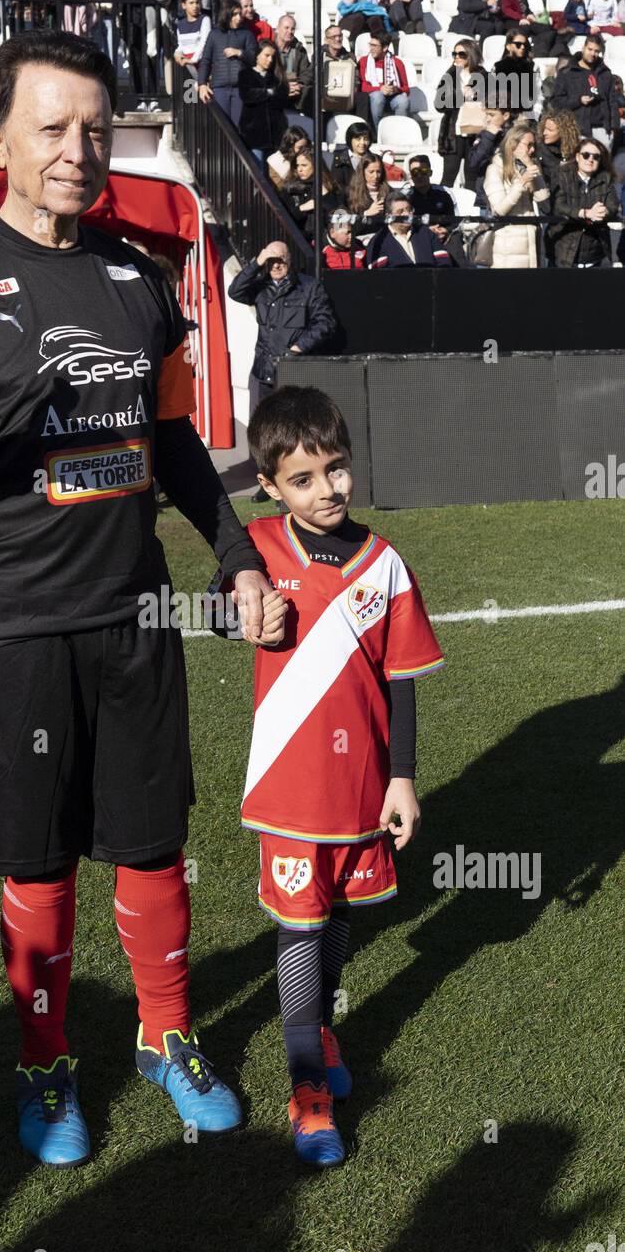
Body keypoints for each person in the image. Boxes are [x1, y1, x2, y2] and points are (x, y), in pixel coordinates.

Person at [0, 29, 276, 1169]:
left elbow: (171, 443)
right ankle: (43, 1063)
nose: (75, 150)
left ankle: (167, 1039)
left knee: (151, 846)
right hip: (11, 626)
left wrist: (236, 557)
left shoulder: (137, 277)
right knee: (37, 864)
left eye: (92, 128)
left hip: (133, 618)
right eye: (49, 127)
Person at [215, 385, 443, 1165]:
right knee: (300, 931)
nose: (327, 490)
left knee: (342, 914)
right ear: (270, 487)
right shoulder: (259, 550)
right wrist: (242, 612)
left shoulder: (386, 565)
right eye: (303, 479)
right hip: (289, 791)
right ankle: (307, 1084)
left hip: (361, 790)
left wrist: (402, 779)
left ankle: (320, 1030)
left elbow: (402, 678)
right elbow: (222, 605)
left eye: (336, 469)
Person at [227, 239, 337, 415]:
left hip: (292, 370)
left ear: (290, 260)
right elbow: (235, 291)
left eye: (280, 260)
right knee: (260, 429)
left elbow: (325, 322)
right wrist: (257, 262)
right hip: (262, 372)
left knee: (292, 427)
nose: (276, 266)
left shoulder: (308, 286)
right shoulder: (260, 287)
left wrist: (298, 347)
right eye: (271, 261)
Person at [483, 121, 550, 266]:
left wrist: (529, 165)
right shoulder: (495, 169)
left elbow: (542, 197)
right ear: (513, 144)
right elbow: (499, 210)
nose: (532, 150)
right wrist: (521, 183)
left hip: (531, 242)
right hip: (508, 245)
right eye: (528, 145)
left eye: (534, 146)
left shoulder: (528, 166)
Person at [549, 135, 620, 263]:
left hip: (595, 250)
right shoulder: (561, 175)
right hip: (564, 249)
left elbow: (613, 205)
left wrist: (603, 212)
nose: (590, 159)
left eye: (596, 157)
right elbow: (558, 205)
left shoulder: (605, 178)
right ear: (577, 157)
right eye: (586, 155)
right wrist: (585, 213)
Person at [196, 0, 255, 125]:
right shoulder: (214, 34)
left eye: (240, 14)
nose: (238, 17)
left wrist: (239, 52)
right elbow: (205, 60)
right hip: (219, 89)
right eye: (234, 14)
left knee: (238, 128)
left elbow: (254, 58)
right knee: (221, 127)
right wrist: (202, 84)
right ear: (227, 14)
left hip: (240, 89)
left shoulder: (247, 34)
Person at [436, 36, 487, 186]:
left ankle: (471, 210)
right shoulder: (449, 75)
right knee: (448, 176)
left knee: (472, 178)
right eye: (455, 54)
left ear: (471, 55)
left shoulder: (485, 76)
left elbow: (494, 101)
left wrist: (476, 94)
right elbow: (439, 105)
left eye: (462, 54)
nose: (457, 57)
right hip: (453, 133)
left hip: (476, 132)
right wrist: (460, 96)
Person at [366, 188, 455, 266]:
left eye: (409, 210)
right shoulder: (378, 241)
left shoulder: (427, 234)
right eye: (400, 211)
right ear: (388, 216)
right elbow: (379, 277)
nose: (407, 214)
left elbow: (445, 264)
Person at [552, 35, 615, 142]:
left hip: (602, 131)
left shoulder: (605, 73)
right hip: (575, 130)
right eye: (590, 49)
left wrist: (614, 127)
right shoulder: (567, 72)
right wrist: (578, 101)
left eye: (596, 51)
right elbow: (556, 102)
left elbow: (612, 101)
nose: (592, 54)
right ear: (583, 48)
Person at [238, 40, 289, 169]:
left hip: (276, 135)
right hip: (255, 135)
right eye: (267, 55)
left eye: (273, 56)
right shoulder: (245, 74)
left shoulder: (276, 77)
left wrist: (263, 94)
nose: (270, 60)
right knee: (258, 171)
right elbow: (247, 96)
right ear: (257, 55)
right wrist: (268, 92)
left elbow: (282, 98)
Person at [406, 152, 466, 261]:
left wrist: (445, 230)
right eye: (415, 172)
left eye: (423, 171)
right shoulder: (405, 197)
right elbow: (402, 224)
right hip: (417, 237)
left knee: (455, 238)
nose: (419, 176)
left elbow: (455, 221)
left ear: (430, 173)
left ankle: (460, 273)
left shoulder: (444, 193)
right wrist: (426, 231)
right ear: (410, 175)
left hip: (444, 237)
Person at [497, 0, 567, 56]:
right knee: (526, 29)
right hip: (510, 21)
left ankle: (554, 52)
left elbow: (526, 9)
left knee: (549, 29)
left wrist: (530, 15)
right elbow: (506, 10)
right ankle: (539, 53)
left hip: (524, 20)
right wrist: (521, 18)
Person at [273, 13, 314, 140]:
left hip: (296, 92)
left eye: (292, 29)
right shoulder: (269, 49)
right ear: (277, 28)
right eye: (286, 28)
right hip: (277, 90)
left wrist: (300, 85)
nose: (289, 32)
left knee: (311, 91)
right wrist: (284, 87)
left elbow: (307, 72)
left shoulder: (299, 50)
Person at [360, 33, 411, 134]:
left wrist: (395, 89)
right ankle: (378, 133)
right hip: (374, 98)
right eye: (370, 45)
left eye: (375, 46)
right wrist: (380, 88)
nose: (371, 48)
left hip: (392, 97)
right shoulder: (364, 61)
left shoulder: (397, 62)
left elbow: (406, 88)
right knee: (378, 96)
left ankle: (398, 134)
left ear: (385, 48)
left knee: (403, 101)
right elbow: (362, 85)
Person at [536, 105, 581, 194]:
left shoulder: (576, 150)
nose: (544, 133)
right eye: (544, 128)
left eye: (550, 130)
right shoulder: (539, 149)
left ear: (563, 131)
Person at [491, 28, 537, 115]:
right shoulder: (498, 67)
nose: (522, 47)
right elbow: (492, 92)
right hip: (503, 113)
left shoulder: (532, 66)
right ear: (508, 46)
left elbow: (537, 93)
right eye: (518, 44)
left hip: (526, 114)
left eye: (525, 44)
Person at [347, 151, 391, 235]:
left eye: (378, 171)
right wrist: (366, 214)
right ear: (362, 172)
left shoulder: (389, 192)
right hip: (359, 240)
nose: (375, 176)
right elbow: (347, 227)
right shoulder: (350, 194)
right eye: (371, 172)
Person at [331, 120, 373, 199]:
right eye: (358, 139)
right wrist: (356, 193)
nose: (362, 143)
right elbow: (337, 185)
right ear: (350, 139)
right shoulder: (340, 158)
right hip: (346, 201)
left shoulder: (374, 159)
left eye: (366, 139)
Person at [173, 0, 210, 70]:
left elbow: (204, 43)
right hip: (186, 65)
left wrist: (193, 60)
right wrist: (177, 53)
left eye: (197, 3)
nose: (195, 6)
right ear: (183, 5)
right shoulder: (180, 24)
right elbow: (181, 45)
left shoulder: (204, 19)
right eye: (191, 3)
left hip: (201, 64)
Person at [267, 124, 309, 188]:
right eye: (300, 148)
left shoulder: (308, 159)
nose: (303, 150)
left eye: (305, 147)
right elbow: (277, 187)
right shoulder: (274, 160)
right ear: (290, 146)